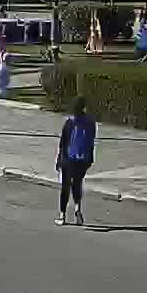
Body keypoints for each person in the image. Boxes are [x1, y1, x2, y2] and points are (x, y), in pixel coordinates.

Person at [55, 97, 96, 226]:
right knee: (77, 184)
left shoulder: (70, 122)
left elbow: (63, 143)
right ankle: (78, 209)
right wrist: (90, 159)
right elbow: (91, 142)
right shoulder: (90, 123)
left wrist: (59, 160)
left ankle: (62, 215)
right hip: (83, 159)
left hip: (69, 158)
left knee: (65, 186)